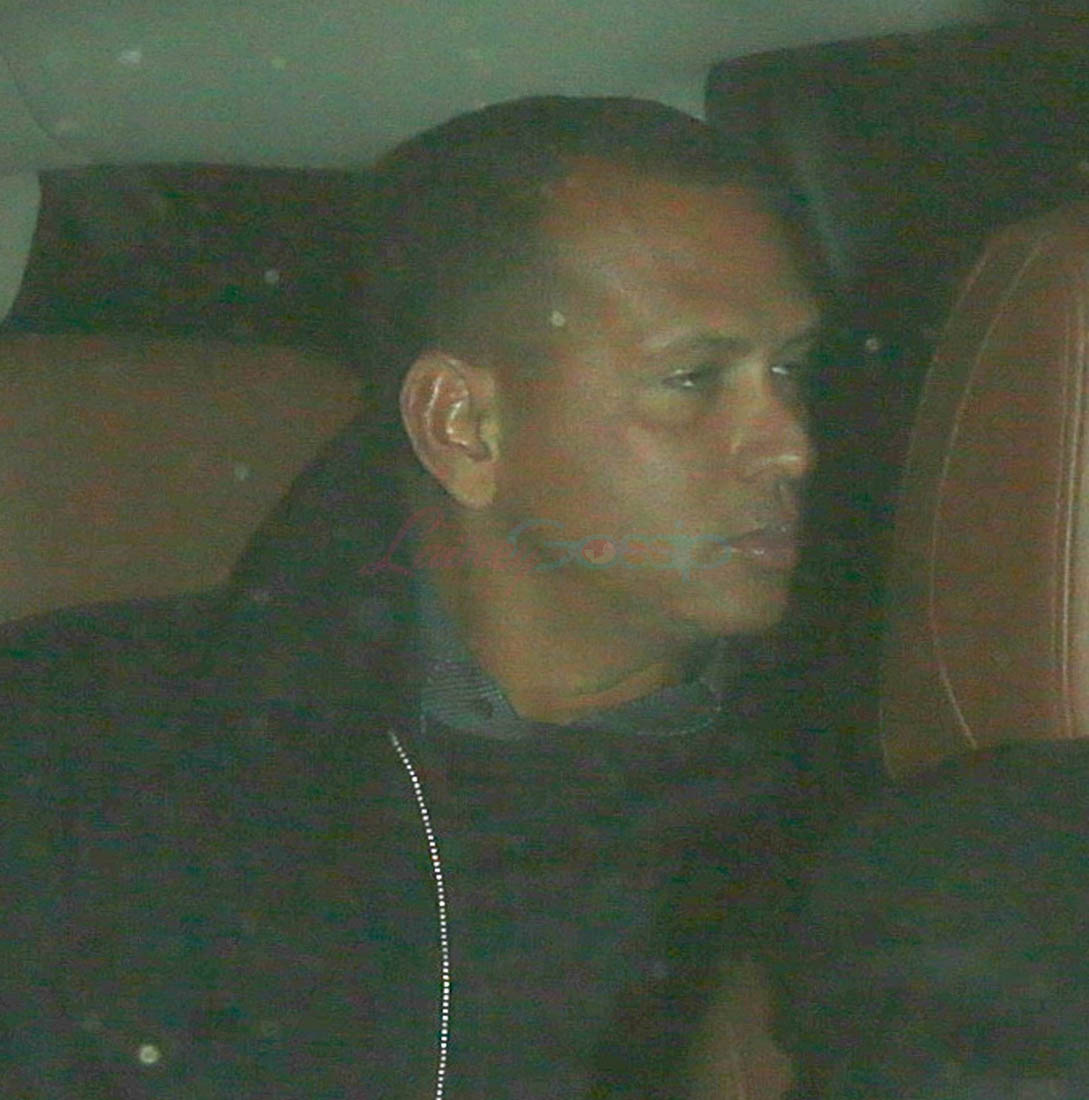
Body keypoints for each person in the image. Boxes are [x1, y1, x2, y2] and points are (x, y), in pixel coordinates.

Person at [2, 96, 821, 1098]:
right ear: (463, 425)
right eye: (694, 378)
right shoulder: (90, 756)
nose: (790, 444)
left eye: (792, 370)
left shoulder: (863, 782)